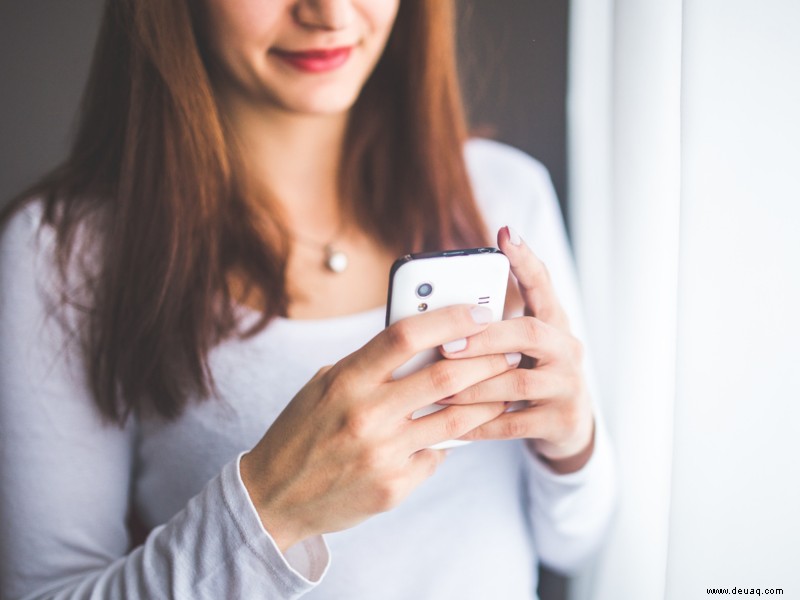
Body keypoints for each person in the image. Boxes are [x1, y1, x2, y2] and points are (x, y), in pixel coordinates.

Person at [0, 0, 615, 598]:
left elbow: (575, 544)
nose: (330, 14)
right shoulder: (63, 254)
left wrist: (570, 442)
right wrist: (272, 508)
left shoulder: (505, 194)